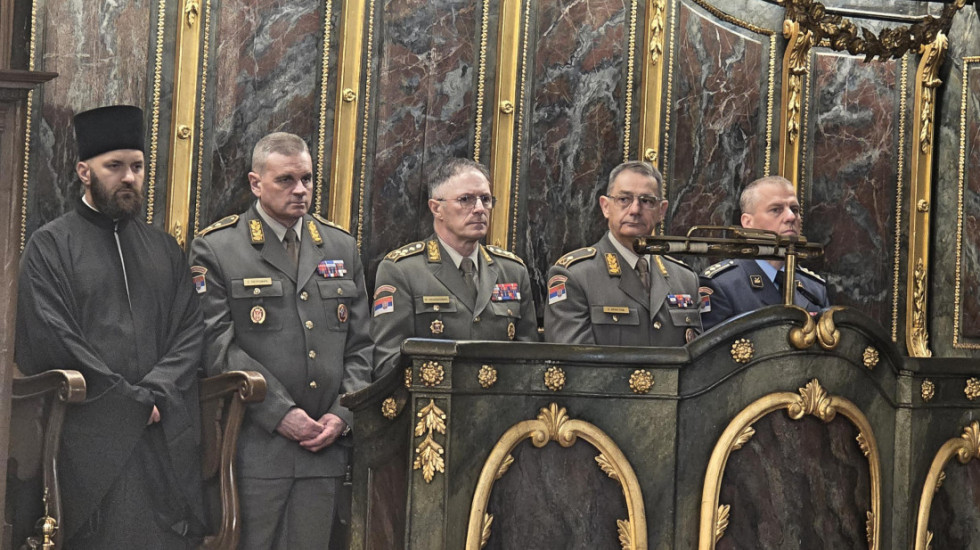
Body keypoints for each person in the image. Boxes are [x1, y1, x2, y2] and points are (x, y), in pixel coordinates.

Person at [15, 105, 206, 548]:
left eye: (137, 167)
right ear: (84, 171)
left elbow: (189, 330)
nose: (129, 178)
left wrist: (156, 392)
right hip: (87, 433)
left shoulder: (163, 249)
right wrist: (128, 401)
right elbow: (52, 337)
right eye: (114, 166)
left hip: (160, 427)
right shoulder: (51, 246)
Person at [188, 132, 372, 549]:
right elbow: (216, 346)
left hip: (324, 447)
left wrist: (343, 413)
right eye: (286, 180)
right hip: (255, 446)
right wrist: (279, 412)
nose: (300, 190)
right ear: (256, 183)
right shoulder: (219, 248)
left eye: (307, 178)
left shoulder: (340, 245)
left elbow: (362, 347)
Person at [371, 158, 538, 376]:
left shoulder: (513, 271)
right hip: (432, 396)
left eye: (485, 199)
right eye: (466, 199)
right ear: (436, 208)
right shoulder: (403, 270)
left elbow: (530, 359)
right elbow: (388, 363)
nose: (479, 209)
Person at [545, 160, 701, 346]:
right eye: (624, 199)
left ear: (661, 211)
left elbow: (699, 357)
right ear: (605, 206)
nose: (635, 210)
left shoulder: (685, 280)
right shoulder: (575, 275)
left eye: (646, 201)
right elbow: (574, 359)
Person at [699, 175, 829, 330]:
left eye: (794, 210)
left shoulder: (813, 287)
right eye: (776, 210)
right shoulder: (723, 284)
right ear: (748, 222)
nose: (791, 217)